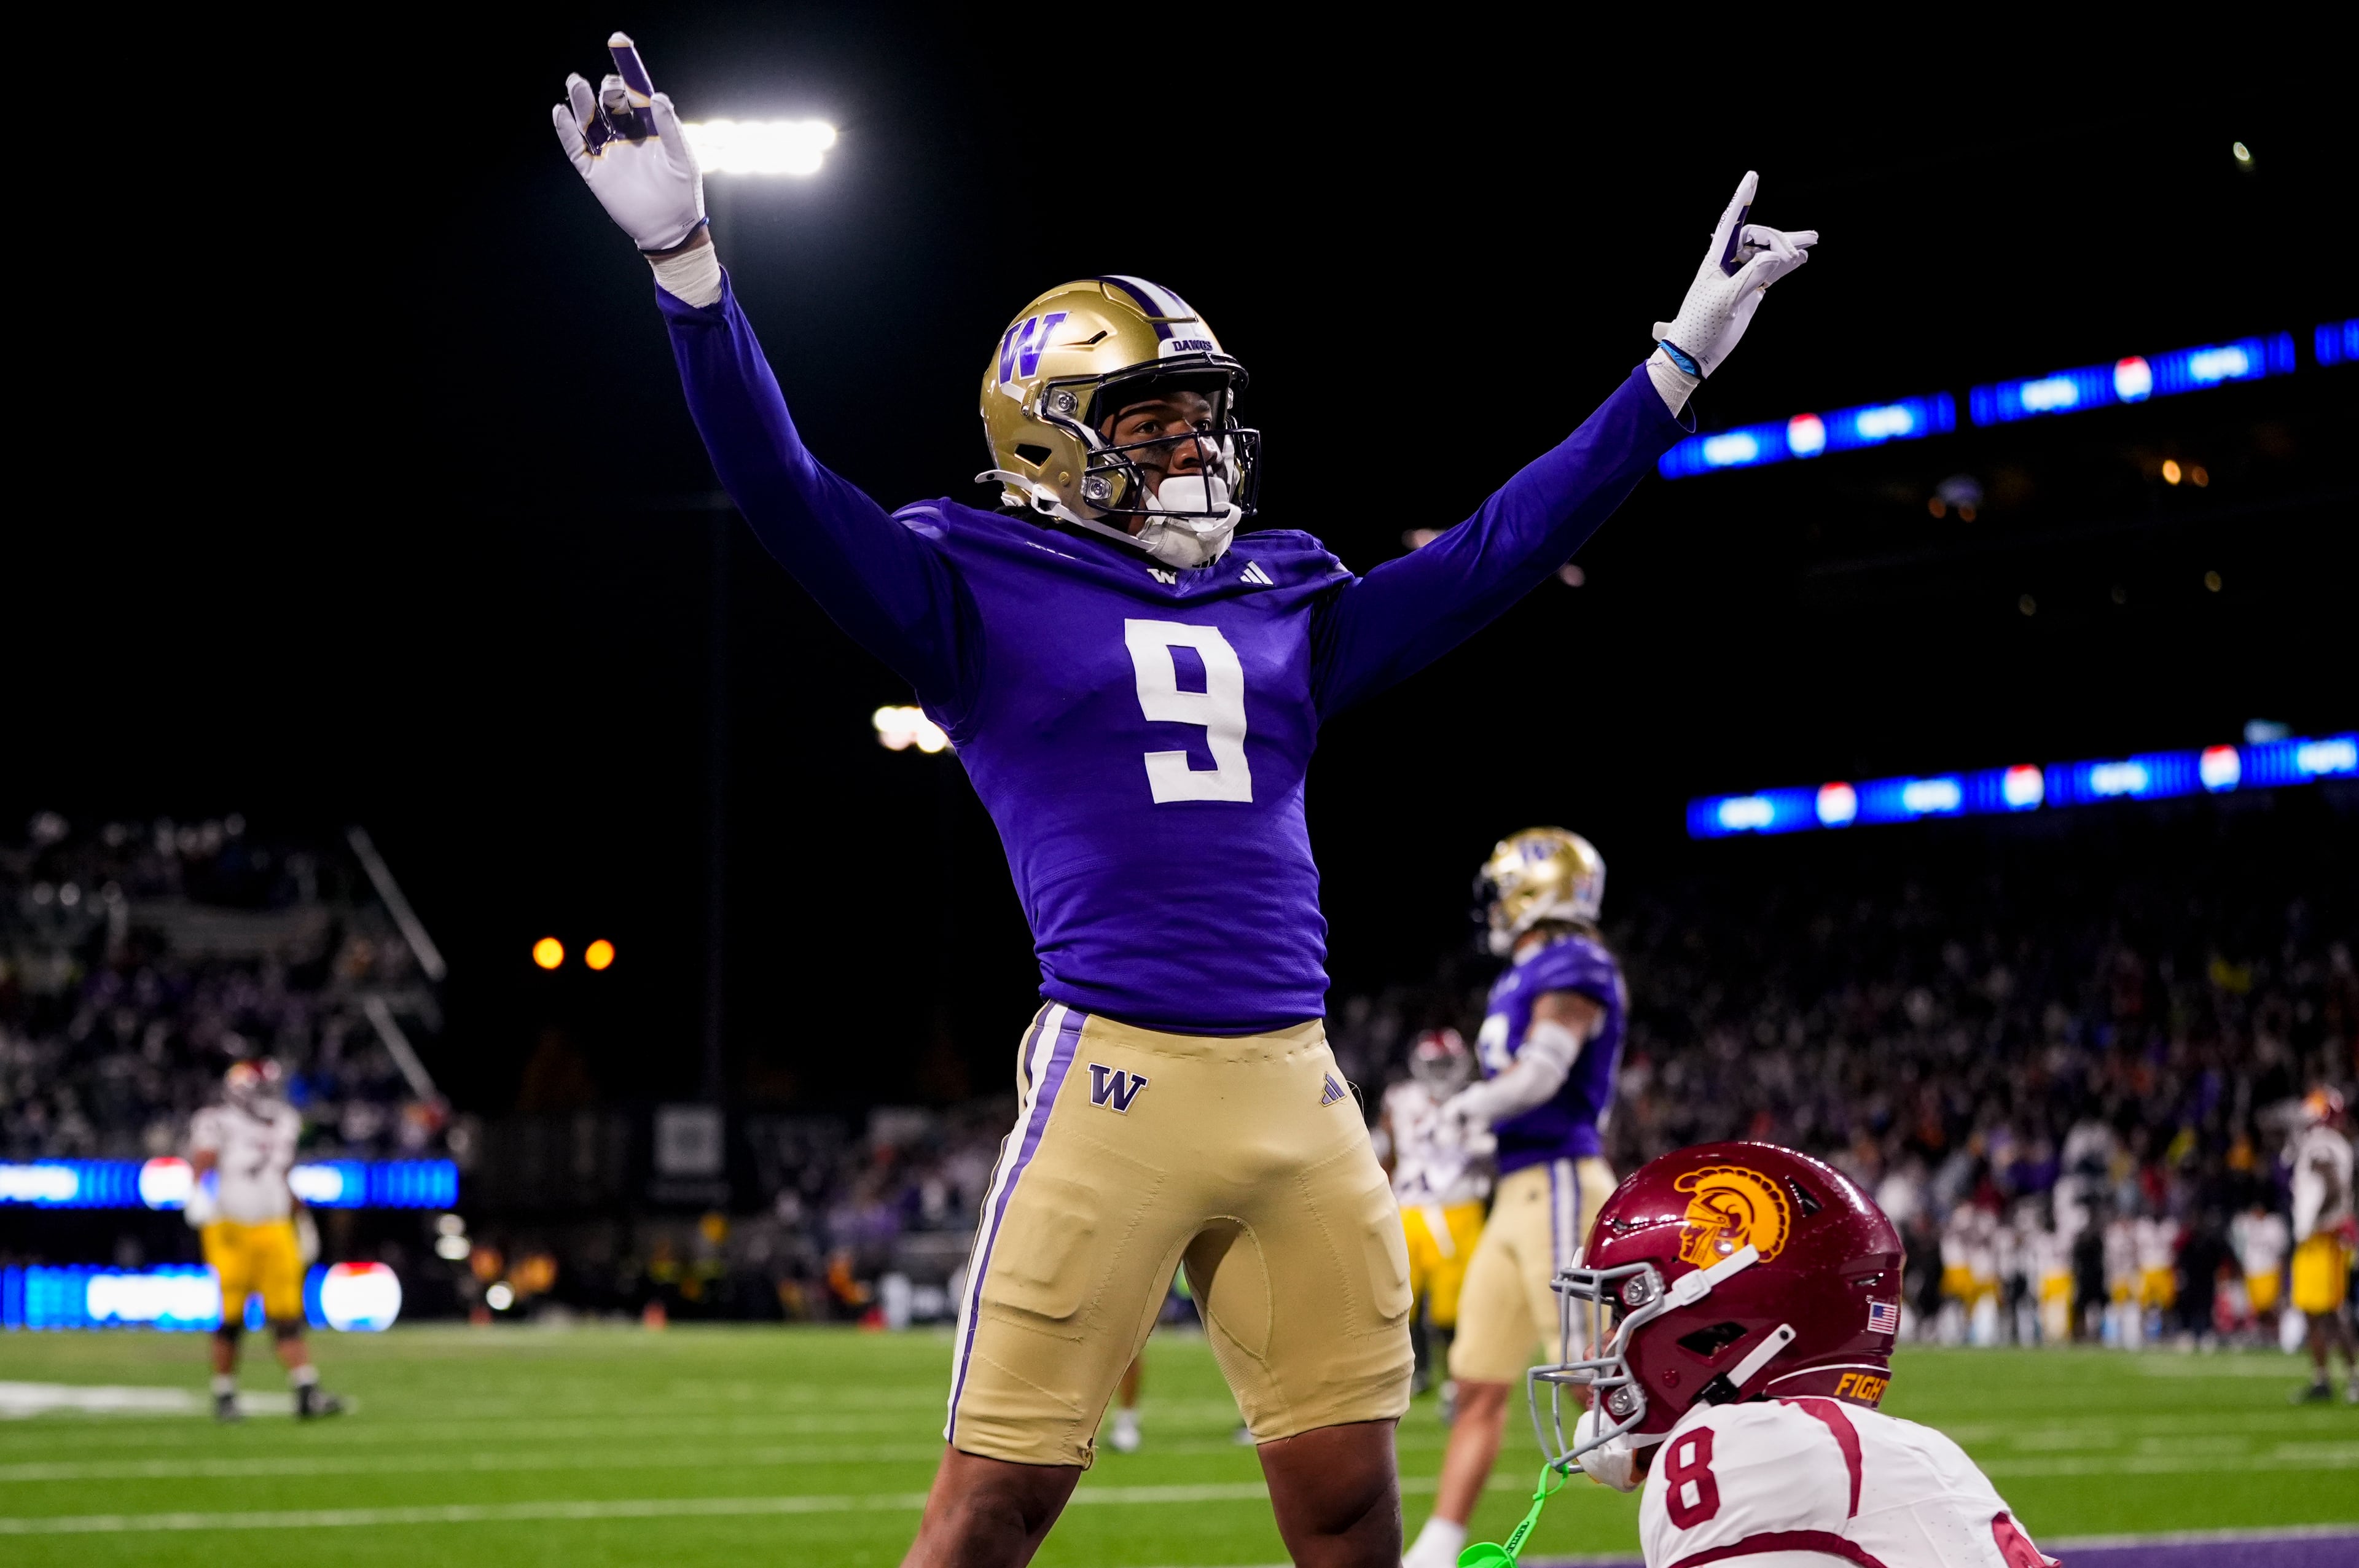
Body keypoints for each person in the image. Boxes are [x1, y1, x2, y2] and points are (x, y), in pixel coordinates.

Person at [552, 35, 1817, 1567]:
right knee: (992, 1509)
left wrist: (1668, 367)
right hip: (1111, 1088)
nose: (1192, 447)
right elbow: (779, 483)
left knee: (1351, 1507)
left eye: (1196, 416)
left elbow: (1487, 553)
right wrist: (688, 263)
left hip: (1297, 1081)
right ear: (1047, 437)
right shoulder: (967, 579)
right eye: (1148, 424)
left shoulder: (1284, 587)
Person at [1522, 1141, 2061, 1568]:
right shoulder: (1908, 1449)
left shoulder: (1738, 1453)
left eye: (1624, 1315)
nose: (1600, 1349)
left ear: (1718, 1326)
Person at [1404, 830, 1627, 1568]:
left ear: (1537, 892)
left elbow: (1543, 1073)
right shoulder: (1523, 974)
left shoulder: (1575, 962)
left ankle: (1717, 1518)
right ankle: (1435, 1552)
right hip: (1519, 1192)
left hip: (1561, 1179)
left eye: (1504, 892)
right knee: (1478, 1382)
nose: (1494, 909)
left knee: (1591, 1384)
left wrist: (1472, 1107)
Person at [186, 1061, 343, 1422]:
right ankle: (224, 1393)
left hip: (274, 1227)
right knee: (232, 1317)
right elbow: (204, 1161)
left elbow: (280, 1175)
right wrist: (195, 1192)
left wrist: (300, 1217)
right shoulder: (217, 1121)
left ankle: (306, 1390)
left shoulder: (285, 1120)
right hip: (232, 1228)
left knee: (287, 1313)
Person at [1376, 1029, 1489, 1412]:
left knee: (1451, 1310)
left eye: (1446, 1064)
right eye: (1434, 1065)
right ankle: (1415, 1373)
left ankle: (1456, 1384)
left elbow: (1492, 1156)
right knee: (1397, 1301)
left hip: (1458, 1207)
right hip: (1408, 1208)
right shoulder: (1401, 1098)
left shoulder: (1475, 1100)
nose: (1440, 1073)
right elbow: (1388, 1150)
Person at [2286, 1088, 2357, 1403]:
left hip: (2326, 1238)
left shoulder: (2326, 1145)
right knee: (2312, 1310)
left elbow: (2328, 1183)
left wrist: (2311, 1221)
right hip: (2317, 1239)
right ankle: (2321, 1379)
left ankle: (2355, 1376)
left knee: (2333, 1309)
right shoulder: (2321, 1143)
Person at [2230, 1196, 2290, 1340]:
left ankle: (2278, 1335)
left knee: (2272, 1307)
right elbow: (2239, 1248)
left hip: (2270, 1270)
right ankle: (2261, 1335)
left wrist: (2282, 1274)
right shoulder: (2245, 1224)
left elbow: (2282, 1252)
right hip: (2252, 1272)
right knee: (2256, 1308)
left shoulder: (2274, 1224)